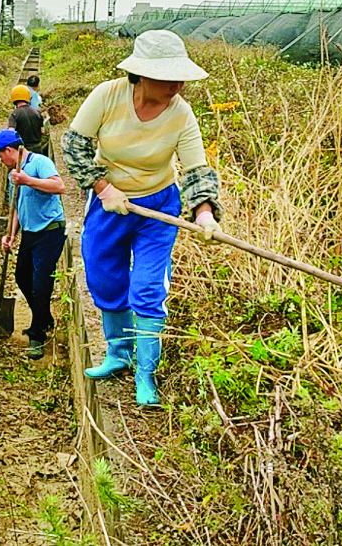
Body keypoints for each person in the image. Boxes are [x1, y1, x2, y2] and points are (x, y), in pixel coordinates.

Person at [62, 29, 222, 406]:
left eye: (180, 77)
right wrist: (102, 188)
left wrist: (204, 213)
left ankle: (145, 373)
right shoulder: (108, 95)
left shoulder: (181, 113)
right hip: (110, 203)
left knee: (148, 287)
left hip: (157, 208)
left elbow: (196, 169)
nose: (177, 85)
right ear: (141, 75)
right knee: (105, 276)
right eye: (168, 78)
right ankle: (118, 354)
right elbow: (74, 145)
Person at [0, 129, 67, 359]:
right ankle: (44, 318)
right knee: (22, 276)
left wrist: (28, 180)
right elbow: (17, 207)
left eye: (0, 156)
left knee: (40, 283)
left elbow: (59, 186)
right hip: (30, 233)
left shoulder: (40, 162)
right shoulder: (14, 174)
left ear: (10, 150)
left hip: (50, 231)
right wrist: (11, 234)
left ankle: (37, 335)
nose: (0, 161)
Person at [8, 84, 47, 156]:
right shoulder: (37, 112)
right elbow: (43, 131)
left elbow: (11, 132)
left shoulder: (14, 114)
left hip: (22, 150)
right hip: (37, 148)